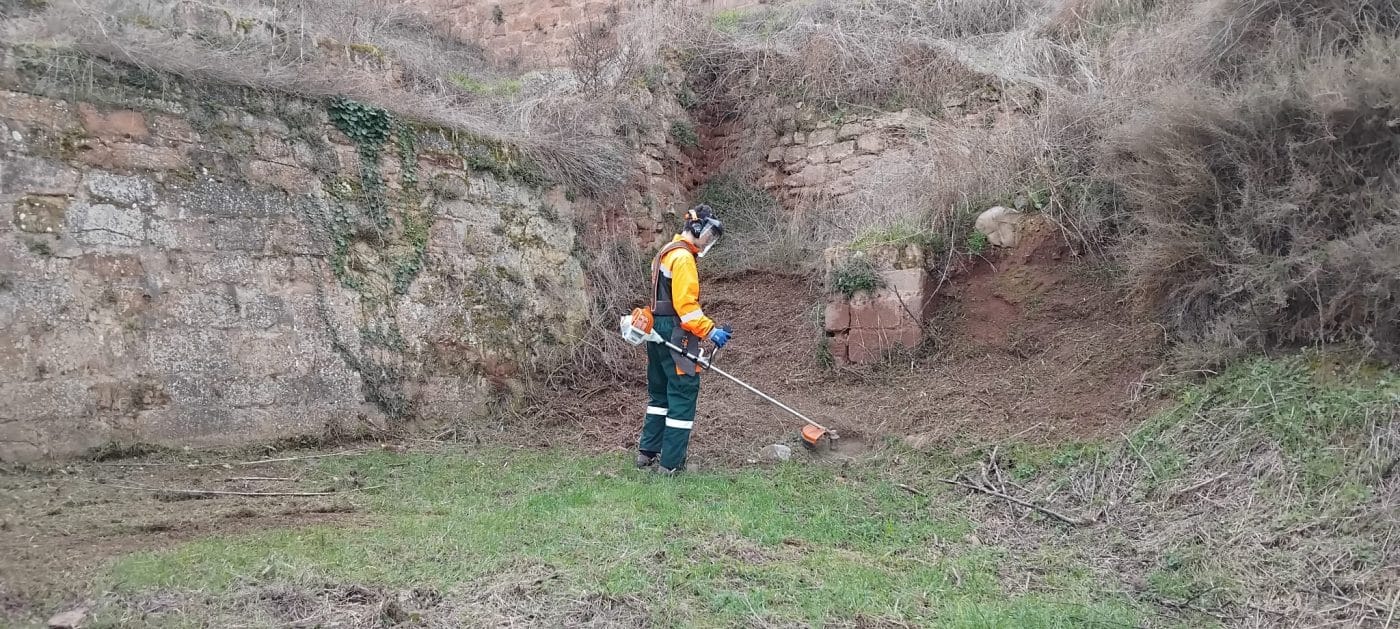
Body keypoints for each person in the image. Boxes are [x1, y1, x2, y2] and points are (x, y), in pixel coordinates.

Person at [636, 204, 731, 475]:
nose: (709, 241)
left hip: (655, 329)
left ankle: (647, 453)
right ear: (698, 227)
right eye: (709, 234)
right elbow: (686, 307)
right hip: (675, 332)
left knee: (659, 393)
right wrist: (710, 330)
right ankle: (671, 464)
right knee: (682, 391)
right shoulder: (684, 258)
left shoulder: (665, 252)